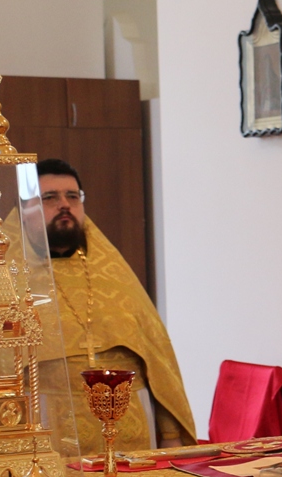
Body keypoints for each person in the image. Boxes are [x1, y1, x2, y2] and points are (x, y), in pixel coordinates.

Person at [39, 158, 196, 451]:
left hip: (131, 430)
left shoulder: (113, 275)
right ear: (25, 210)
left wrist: (170, 433)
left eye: (73, 196)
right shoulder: (6, 277)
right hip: (50, 429)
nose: (65, 205)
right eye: (50, 197)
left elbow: (156, 358)